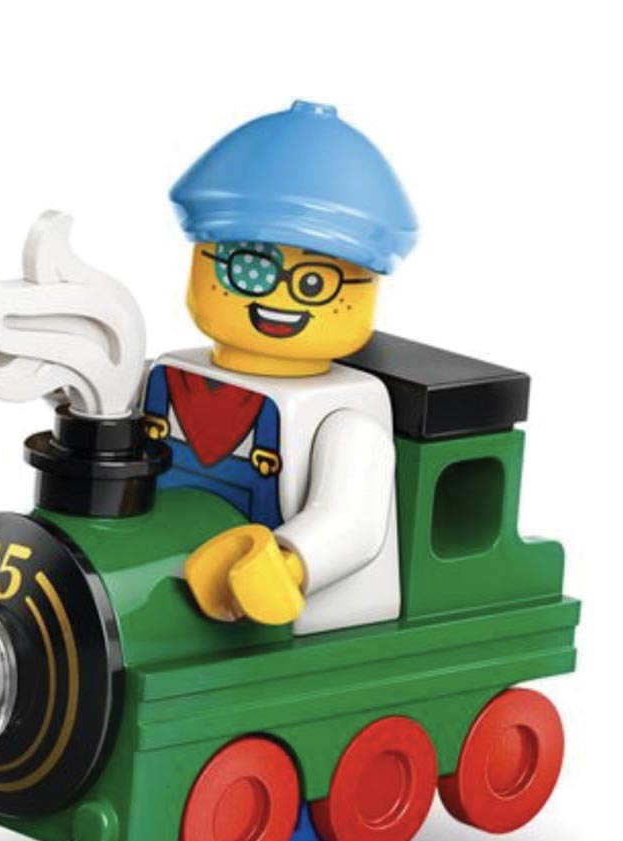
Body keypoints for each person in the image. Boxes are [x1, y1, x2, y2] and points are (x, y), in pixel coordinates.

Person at [144, 101, 418, 635]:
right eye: (250, 269)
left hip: (281, 611)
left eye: (316, 283)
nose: (280, 300)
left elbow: (352, 523)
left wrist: (288, 565)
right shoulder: (170, 376)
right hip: (161, 574)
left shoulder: (349, 415)